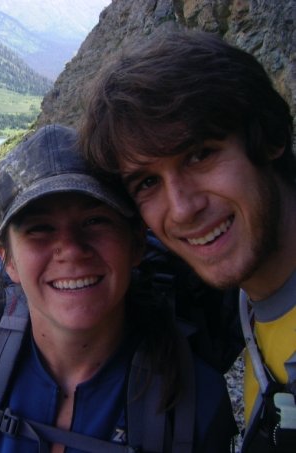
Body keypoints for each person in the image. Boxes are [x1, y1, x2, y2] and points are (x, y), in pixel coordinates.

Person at [0, 124, 237, 452]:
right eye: (40, 229)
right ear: (7, 260)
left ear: (136, 242)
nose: (70, 249)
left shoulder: (196, 400)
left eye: (96, 220)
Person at [80, 30, 296, 452]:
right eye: (147, 182)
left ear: (268, 136)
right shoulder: (252, 292)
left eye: (200, 154)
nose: (181, 209)